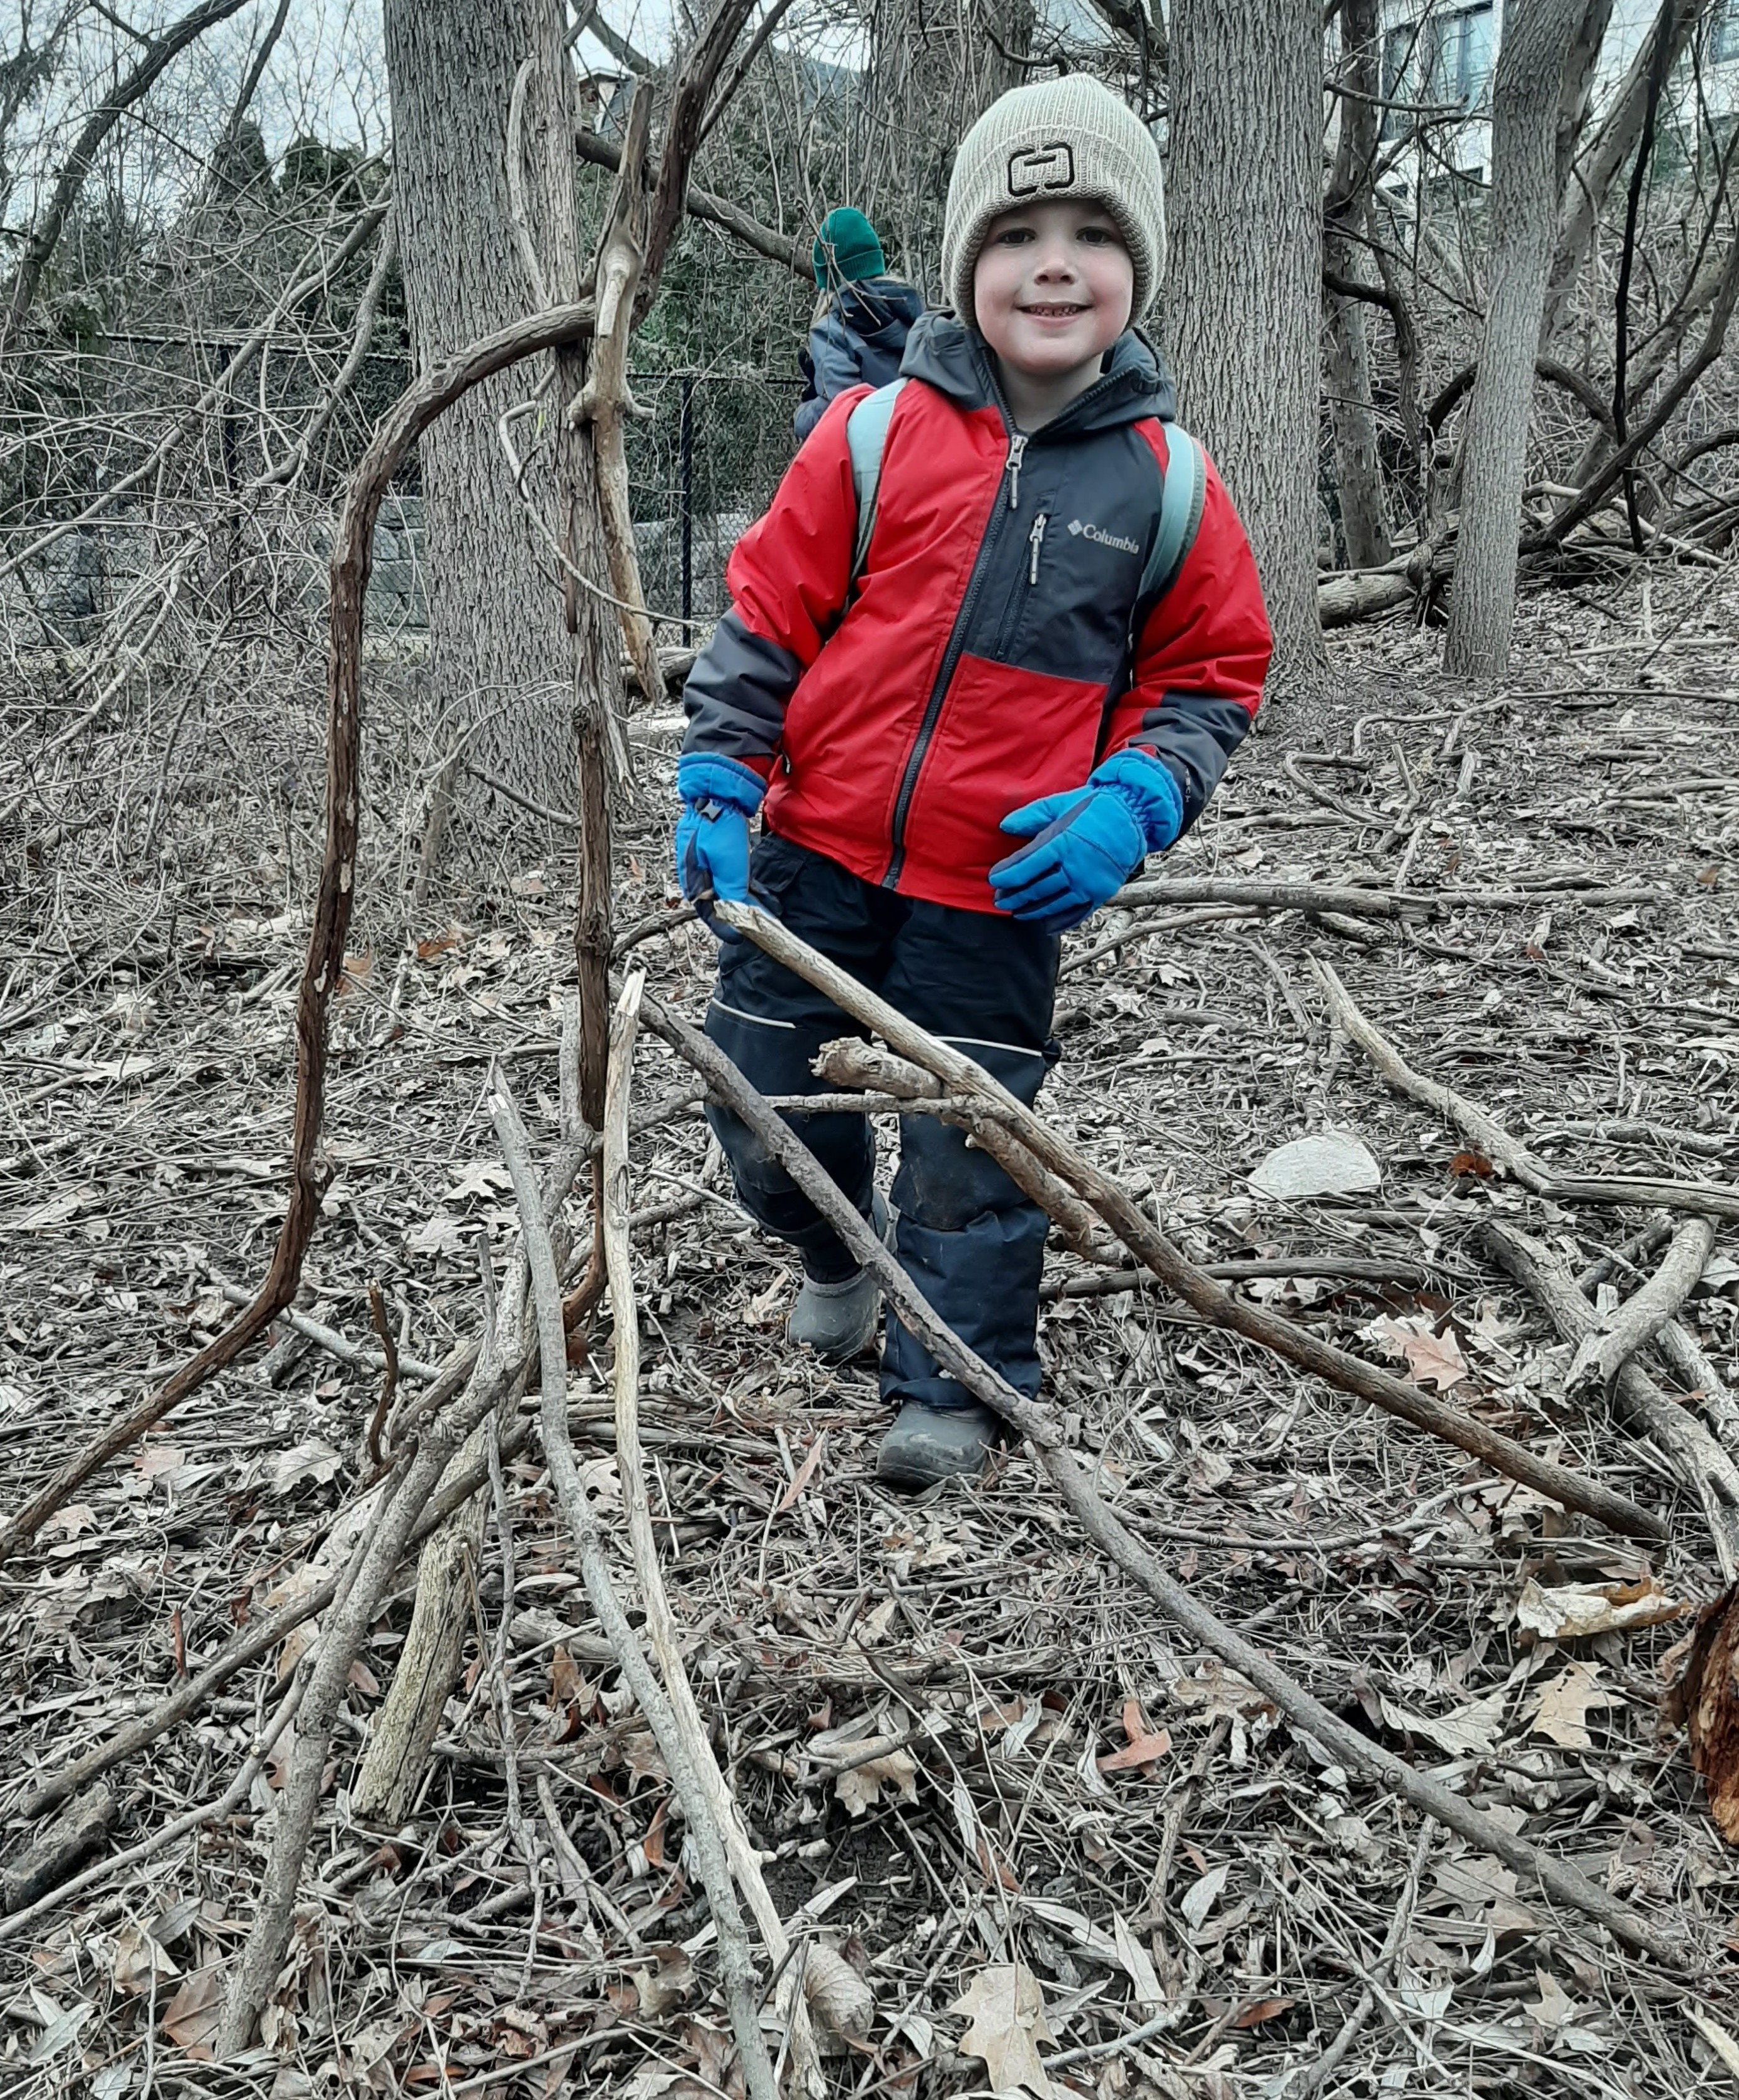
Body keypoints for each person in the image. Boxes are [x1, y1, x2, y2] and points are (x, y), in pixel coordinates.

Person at [675, 76, 1272, 1491]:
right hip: (809, 860)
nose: (1052, 262)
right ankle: (832, 1248)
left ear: (1140, 270)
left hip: (990, 896)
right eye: (1016, 234)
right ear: (964, 267)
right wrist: (718, 769)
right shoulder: (869, 437)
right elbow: (769, 614)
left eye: (1090, 233)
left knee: (969, 1151)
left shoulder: (1167, 485)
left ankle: (952, 1374)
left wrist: (1133, 801)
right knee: (761, 1109)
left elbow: (1209, 681)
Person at [793, 207, 925, 441]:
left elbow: (839, 413)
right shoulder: (918, 312)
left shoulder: (832, 331)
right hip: (920, 449)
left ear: (829, 280)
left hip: (871, 468)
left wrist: (803, 413)